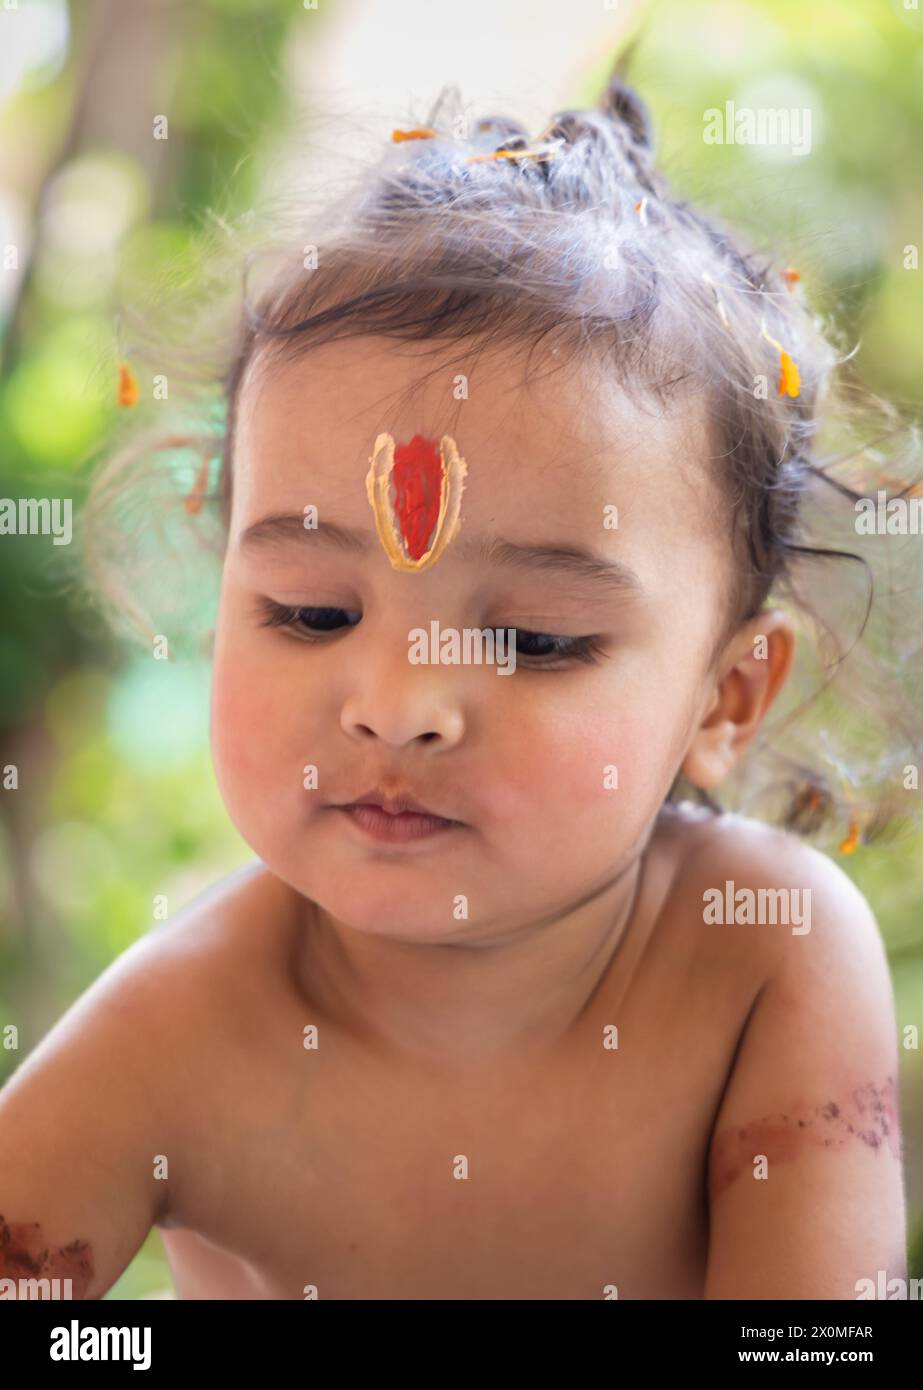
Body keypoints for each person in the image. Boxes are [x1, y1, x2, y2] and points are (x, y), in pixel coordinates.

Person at [1, 59, 916, 1301]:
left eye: (536, 640)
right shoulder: (172, 1036)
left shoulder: (760, 959)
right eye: (311, 611)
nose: (397, 702)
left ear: (724, 698)